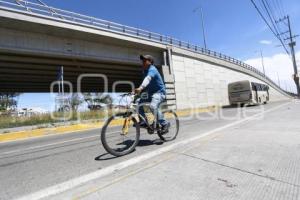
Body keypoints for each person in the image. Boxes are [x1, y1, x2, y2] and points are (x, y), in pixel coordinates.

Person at [134, 54, 169, 133]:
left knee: (153, 106)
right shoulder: (145, 71)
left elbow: (148, 79)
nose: (142, 62)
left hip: (159, 92)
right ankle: (151, 122)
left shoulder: (152, 69)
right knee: (139, 104)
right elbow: (146, 84)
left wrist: (140, 88)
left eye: (145, 60)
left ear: (150, 62)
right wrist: (137, 92)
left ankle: (165, 124)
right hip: (150, 93)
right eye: (142, 60)